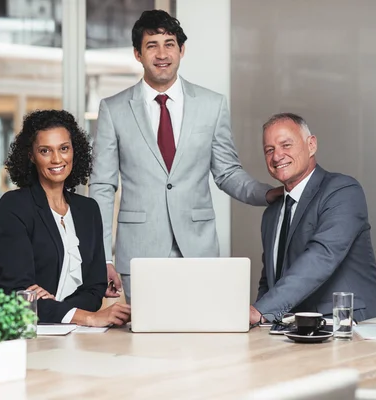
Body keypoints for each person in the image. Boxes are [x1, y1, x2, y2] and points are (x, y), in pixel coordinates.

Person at [89, 10, 281, 302]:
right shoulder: (113, 109)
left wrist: (267, 194)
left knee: (199, 339)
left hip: (198, 250)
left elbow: (228, 172)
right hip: (139, 252)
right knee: (142, 340)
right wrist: (102, 258)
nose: (162, 53)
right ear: (138, 54)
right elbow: (102, 186)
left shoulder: (212, 105)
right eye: (151, 45)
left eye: (169, 43)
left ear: (182, 50)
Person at [0, 110, 130, 327]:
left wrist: (58, 310)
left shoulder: (88, 210)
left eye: (64, 148)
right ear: (31, 155)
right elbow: (19, 296)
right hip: (10, 331)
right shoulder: (14, 207)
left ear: (75, 150)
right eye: (45, 151)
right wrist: (87, 317)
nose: (57, 159)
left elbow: (94, 289)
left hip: (66, 332)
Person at [249, 113, 376, 325]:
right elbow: (269, 281)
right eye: (269, 150)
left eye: (286, 145)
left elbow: (322, 256)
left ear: (311, 145)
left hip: (351, 326)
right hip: (296, 329)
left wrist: (261, 310)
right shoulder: (271, 214)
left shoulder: (342, 191)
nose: (277, 156)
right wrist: (259, 319)